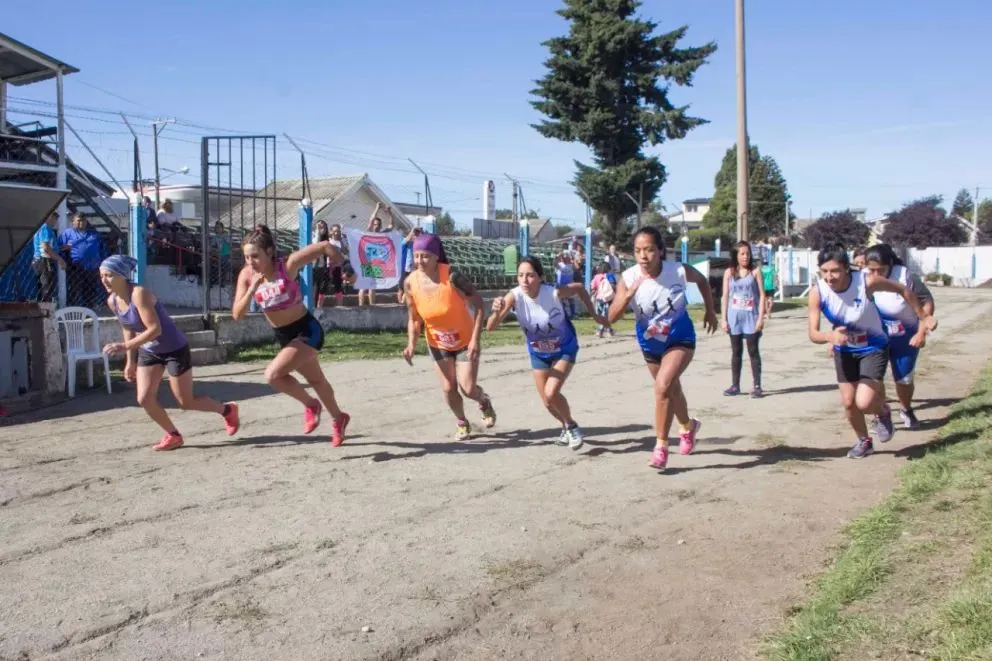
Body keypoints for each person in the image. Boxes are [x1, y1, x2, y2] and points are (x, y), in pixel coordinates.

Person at [807, 244, 937, 459]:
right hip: (845, 350)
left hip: (874, 346)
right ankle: (864, 441)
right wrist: (829, 337)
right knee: (849, 403)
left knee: (864, 402)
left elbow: (904, 290)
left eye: (835, 271)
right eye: (824, 271)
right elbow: (813, 334)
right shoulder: (817, 292)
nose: (829, 277)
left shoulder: (866, 282)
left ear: (846, 268)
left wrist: (924, 318)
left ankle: (883, 411)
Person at [99, 255, 239, 450]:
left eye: (109, 275)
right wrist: (130, 361)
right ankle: (173, 435)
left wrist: (125, 347)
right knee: (144, 398)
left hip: (174, 348)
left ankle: (228, 410)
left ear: (122, 275)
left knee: (185, 401)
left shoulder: (139, 294)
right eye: (102, 276)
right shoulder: (112, 301)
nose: (104, 280)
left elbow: (155, 329)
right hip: (149, 352)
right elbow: (128, 328)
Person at [607, 226, 718, 471]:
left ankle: (661, 447)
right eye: (638, 251)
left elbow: (701, 280)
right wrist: (626, 298)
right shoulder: (628, 278)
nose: (643, 257)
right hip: (650, 341)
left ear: (660, 251)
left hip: (680, 337)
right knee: (670, 389)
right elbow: (611, 317)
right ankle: (688, 427)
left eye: (649, 250)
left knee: (663, 386)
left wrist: (710, 310)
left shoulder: (677, 270)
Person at [232, 225, 351, 445]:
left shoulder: (287, 265)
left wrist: (346, 266)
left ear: (269, 251)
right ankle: (338, 418)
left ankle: (310, 404)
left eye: (255, 256)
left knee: (273, 375)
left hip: (306, 329)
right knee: (316, 379)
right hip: (284, 336)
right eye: (247, 256)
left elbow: (325, 246)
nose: (250, 262)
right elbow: (237, 315)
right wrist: (251, 290)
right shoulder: (247, 276)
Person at [486, 256, 607, 449]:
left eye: (530, 275)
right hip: (538, 352)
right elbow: (490, 327)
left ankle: (572, 426)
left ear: (540, 277)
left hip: (564, 348)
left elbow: (579, 289)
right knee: (547, 401)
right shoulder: (514, 296)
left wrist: (595, 315)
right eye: (521, 276)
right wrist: (495, 310)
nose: (525, 280)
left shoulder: (553, 293)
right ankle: (566, 427)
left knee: (551, 393)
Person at [402, 233, 497, 440]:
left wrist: (475, 340)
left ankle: (483, 401)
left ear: (437, 257)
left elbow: (480, 305)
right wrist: (411, 344)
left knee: (468, 388)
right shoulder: (410, 283)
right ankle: (462, 422)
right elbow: (414, 319)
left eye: (425, 256)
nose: (420, 261)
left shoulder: (452, 277)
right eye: (417, 256)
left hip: (464, 340)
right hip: (437, 342)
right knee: (448, 387)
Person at [863, 243, 936, 429]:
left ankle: (906, 408)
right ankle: (881, 413)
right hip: (878, 337)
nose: (876, 273)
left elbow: (926, 302)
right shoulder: (864, 278)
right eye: (872, 269)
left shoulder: (906, 276)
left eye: (882, 269)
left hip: (906, 336)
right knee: (875, 378)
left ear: (891, 264)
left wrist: (921, 332)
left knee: (903, 380)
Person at [721, 242, 766, 397]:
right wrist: (724, 319)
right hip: (735, 319)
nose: (745, 256)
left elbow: (762, 296)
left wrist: (760, 318)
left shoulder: (755, 272)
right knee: (736, 352)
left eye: (747, 253)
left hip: (751, 318)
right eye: (742, 253)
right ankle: (735, 385)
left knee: (753, 351)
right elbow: (725, 296)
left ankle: (757, 386)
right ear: (736, 255)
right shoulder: (729, 273)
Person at [589, 262, 617, 337]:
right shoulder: (609, 275)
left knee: (600, 315)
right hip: (607, 298)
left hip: (598, 298)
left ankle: (607, 331)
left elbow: (592, 288)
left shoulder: (596, 277)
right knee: (605, 315)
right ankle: (604, 331)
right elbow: (613, 285)